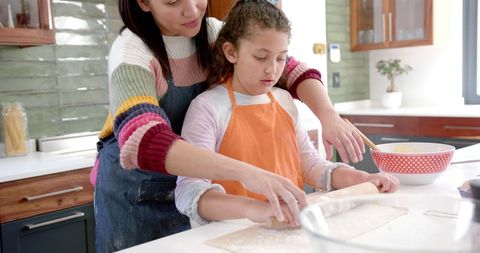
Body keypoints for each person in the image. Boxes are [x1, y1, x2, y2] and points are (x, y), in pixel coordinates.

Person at [92, 0, 364, 251]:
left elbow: (292, 70)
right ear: (143, 2)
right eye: (173, 0)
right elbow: (144, 141)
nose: (192, 10)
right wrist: (248, 174)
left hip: (193, 189)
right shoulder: (132, 52)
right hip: (136, 192)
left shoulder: (210, 32)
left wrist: (329, 116)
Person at [175, 0, 399, 227]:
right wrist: (256, 209)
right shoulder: (207, 107)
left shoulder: (284, 100)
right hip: (223, 237)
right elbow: (189, 192)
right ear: (231, 52)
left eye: (281, 57)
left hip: (286, 231)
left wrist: (363, 180)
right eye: (260, 57)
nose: (272, 69)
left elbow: (311, 165)